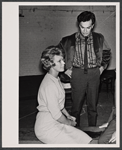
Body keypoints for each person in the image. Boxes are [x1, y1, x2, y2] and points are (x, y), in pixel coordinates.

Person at [58, 11, 111, 127]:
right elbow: (57, 54)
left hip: (94, 73)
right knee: (76, 106)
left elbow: (107, 53)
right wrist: (65, 69)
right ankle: (75, 130)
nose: (85, 31)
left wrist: (102, 68)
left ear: (92, 26)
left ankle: (92, 129)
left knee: (93, 105)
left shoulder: (99, 38)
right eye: (82, 27)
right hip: (77, 74)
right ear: (79, 25)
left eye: (88, 27)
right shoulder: (68, 40)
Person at [34, 46, 97, 144]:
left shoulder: (55, 78)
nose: (63, 63)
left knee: (85, 139)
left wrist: (68, 116)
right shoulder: (49, 85)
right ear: (50, 63)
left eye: (63, 59)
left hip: (57, 122)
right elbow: (56, 114)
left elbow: (59, 105)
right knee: (76, 144)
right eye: (59, 61)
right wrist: (70, 123)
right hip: (46, 128)